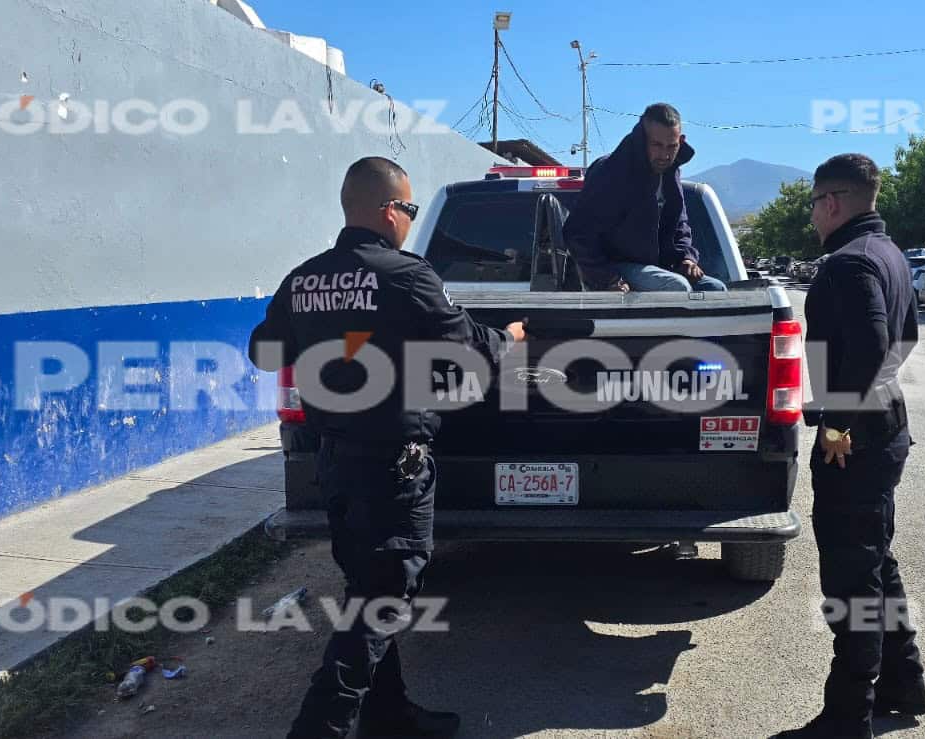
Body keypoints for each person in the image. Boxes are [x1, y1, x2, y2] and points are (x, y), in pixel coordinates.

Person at [249, 156, 526, 739]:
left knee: (367, 591)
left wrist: (337, 346)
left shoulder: (304, 278)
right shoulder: (407, 276)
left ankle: (390, 715)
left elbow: (266, 352)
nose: (410, 219)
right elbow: (470, 350)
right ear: (386, 210)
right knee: (384, 601)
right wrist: (512, 337)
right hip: (394, 469)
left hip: (337, 465)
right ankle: (318, 729)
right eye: (409, 208)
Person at [779, 154, 925, 739]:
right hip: (885, 431)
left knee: (851, 580)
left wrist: (839, 423)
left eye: (814, 203)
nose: (813, 215)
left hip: (856, 443)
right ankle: (903, 682)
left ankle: (846, 720)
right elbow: (905, 337)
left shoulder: (848, 264)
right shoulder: (890, 255)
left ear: (833, 201)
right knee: (876, 563)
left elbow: (869, 345)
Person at [562, 102, 726, 293]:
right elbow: (577, 233)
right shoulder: (610, 171)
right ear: (642, 139)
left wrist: (687, 257)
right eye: (657, 145)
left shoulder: (670, 172)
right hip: (616, 266)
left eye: (671, 146)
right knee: (676, 287)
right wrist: (607, 278)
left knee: (715, 289)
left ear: (680, 141)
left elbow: (680, 225)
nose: (664, 154)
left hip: (660, 267)